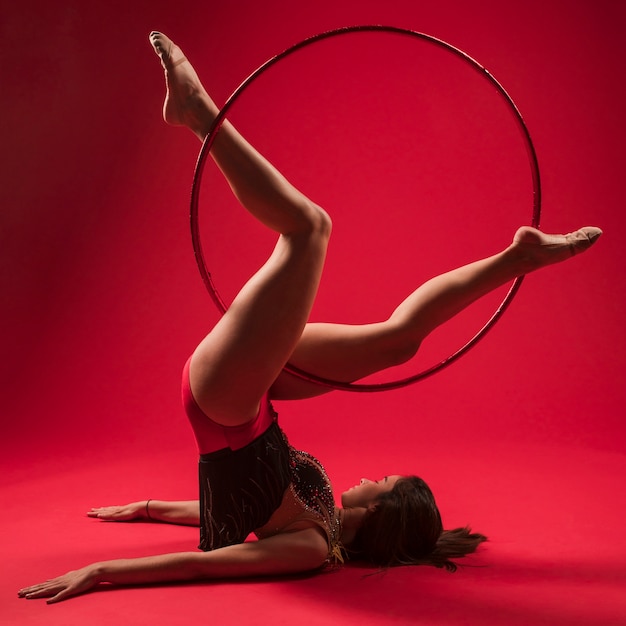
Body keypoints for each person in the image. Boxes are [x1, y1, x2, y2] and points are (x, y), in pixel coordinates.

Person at [18, 31, 602, 604]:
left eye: (382, 481)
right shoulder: (322, 505)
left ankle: (199, 113)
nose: (371, 476)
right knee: (396, 343)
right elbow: (226, 503)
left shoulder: (311, 547)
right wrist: (146, 508)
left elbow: (210, 566)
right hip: (258, 398)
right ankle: (516, 258)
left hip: (223, 400)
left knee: (310, 230)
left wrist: (101, 570)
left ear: (378, 511)